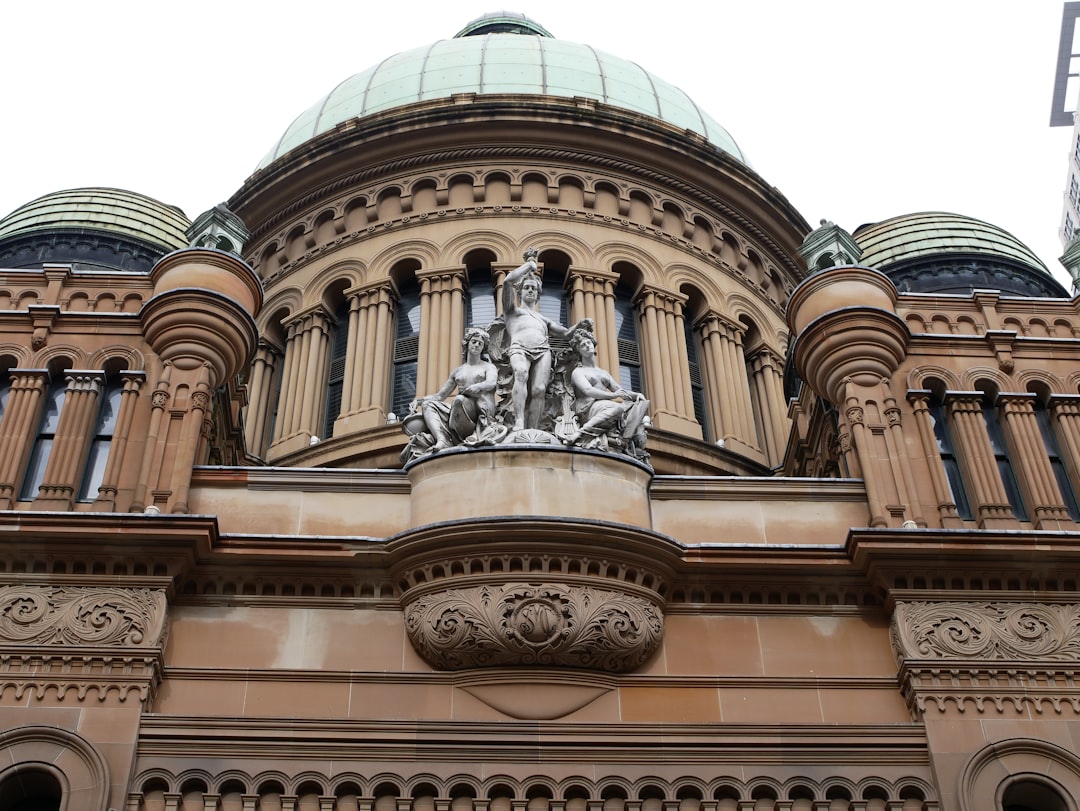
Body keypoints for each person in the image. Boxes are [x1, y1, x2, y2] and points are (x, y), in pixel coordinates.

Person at [500, 248, 590, 431]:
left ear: (538, 293)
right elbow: (508, 281)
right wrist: (528, 266)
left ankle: (533, 429)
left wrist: (580, 325)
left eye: (534, 288)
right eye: (526, 287)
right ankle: (519, 421)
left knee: (539, 389)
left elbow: (565, 334)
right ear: (520, 292)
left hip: (542, 350)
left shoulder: (543, 319)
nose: (530, 290)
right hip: (519, 348)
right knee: (521, 373)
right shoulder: (512, 311)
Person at [564, 327, 649, 457]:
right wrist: (613, 396)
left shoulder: (603, 373)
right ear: (579, 351)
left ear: (593, 344)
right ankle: (580, 433)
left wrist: (636, 395)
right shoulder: (578, 372)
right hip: (587, 408)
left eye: (588, 342)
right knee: (619, 408)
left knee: (635, 410)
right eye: (582, 345)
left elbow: (619, 390)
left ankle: (630, 445)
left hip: (604, 406)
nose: (587, 346)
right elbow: (588, 390)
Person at [417, 327, 498, 450]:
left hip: (481, 409)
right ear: (467, 343)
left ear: (483, 348)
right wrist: (419, 401)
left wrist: (478, 386)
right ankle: (442, 439)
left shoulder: (488, 367)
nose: (476, 345)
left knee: (458, 399)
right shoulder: (458, 371)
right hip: (460, 409)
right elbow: (440, 396)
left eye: (480, 344)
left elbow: (491, 383)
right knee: (428, 405)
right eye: (474, 341)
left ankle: (476, 432)